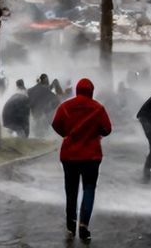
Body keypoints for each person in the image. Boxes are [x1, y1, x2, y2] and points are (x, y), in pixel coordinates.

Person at [52, 78, 112, 242]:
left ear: (77, 90)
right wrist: (96, 132)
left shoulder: (65, 106)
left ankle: (70, 225)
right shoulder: (98, 108)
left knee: (70, 190)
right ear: (91, 91)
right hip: (91, 156)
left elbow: (56, 124)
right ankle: (84, 226)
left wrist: (66, 133)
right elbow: (107, 129)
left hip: (69, 156)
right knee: (89, 189)